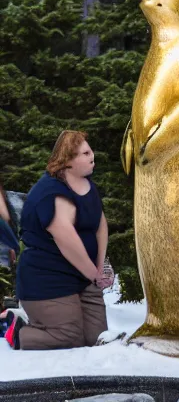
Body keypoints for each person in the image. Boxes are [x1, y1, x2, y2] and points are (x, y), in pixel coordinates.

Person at [6, 130, 113, 350]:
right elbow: (68, 244)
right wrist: (94, 275)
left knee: (97, 339)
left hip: (82, 276)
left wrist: (100, 266)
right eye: (84, 153)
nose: (92, 156)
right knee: (69, 337)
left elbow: (99, 224)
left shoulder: (87, 184)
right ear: (67, 162)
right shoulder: (52, 194)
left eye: (89, 150)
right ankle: (16, 332)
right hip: (48, 280)